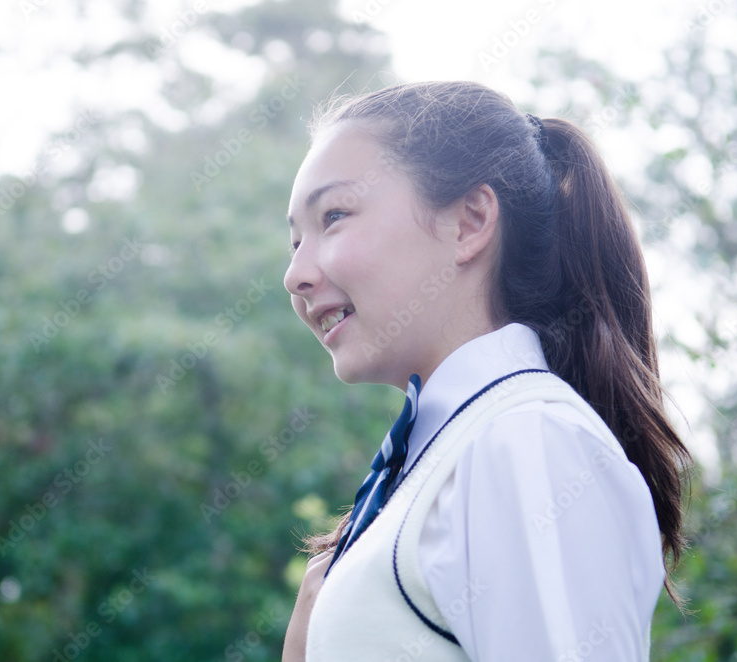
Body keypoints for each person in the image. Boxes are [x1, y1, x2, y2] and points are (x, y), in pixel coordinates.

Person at [279, 81, 692, 661]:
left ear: (470, 222)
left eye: (334, 216)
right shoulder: (452, 455)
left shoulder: (527, 440)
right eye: (296, 241)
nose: (294, 275)